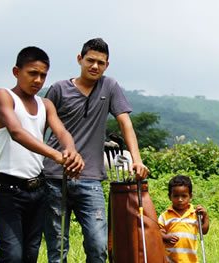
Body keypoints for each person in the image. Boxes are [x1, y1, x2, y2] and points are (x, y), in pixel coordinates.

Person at [42, 38, 150, 262]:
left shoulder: (109, 87)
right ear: (79, 59)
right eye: (90, 60)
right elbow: (39, 129)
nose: (95, 66)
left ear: (107, 65)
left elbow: (125, 124)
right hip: (54, 176)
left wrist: (136, 160)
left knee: (98, 245)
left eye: (101, 63)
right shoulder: (58, 89)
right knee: (57, 247)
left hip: (90, 179)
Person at [0, 46, 84, 263]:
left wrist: (71, 152)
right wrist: (57, 156)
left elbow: (62, 132)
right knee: (12, 256)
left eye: (43, 75)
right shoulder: (4, 96)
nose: (38, 80)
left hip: (37, 189)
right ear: (16, 71)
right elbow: (17, 132)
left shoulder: (46, 104)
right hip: (7, 189)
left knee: (30, 255)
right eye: (32, 73)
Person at [158, 175, 210, 263]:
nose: (180, 199)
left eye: (184, 196)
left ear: (190, 196)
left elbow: (204, 231)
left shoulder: (195, 214)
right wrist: (165, 237)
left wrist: (205, 216)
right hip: (170, 259)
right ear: (169, 196)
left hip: (190, 259)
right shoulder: (165, 215)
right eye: (176, 196)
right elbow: (157, 232)